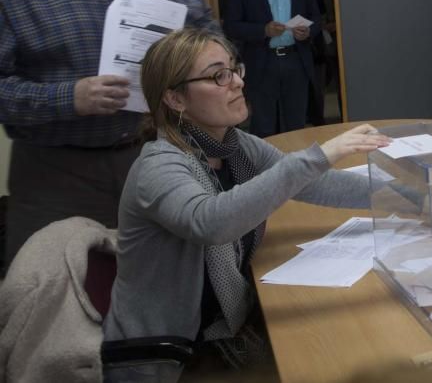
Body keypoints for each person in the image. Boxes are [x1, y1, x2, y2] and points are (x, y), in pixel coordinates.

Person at [102, 28, 392, 379]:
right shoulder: (159, 165)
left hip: (224, 336)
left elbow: (318, 184)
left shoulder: (233, 145)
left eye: (234, 69)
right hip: (175, 358)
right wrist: (321, 154)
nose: (237, 82)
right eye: (217, 76)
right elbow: (212, 222)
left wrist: (412, 197)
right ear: (176, 99)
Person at [0, 0, 217, 270]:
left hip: (148, 157)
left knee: (164, 279)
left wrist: (212, 67)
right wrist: (69, 98)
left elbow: (201, 23)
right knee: (51, 296)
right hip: (55, 174)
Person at [224, 0, 321, 137]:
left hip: (296, 61)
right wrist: (263, 31)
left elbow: (316, 19)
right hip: (262, 62)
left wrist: (308, 32)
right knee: (264, 128)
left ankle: (296, 170)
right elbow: (231, 26)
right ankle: (268, 171)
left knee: (296, 126)